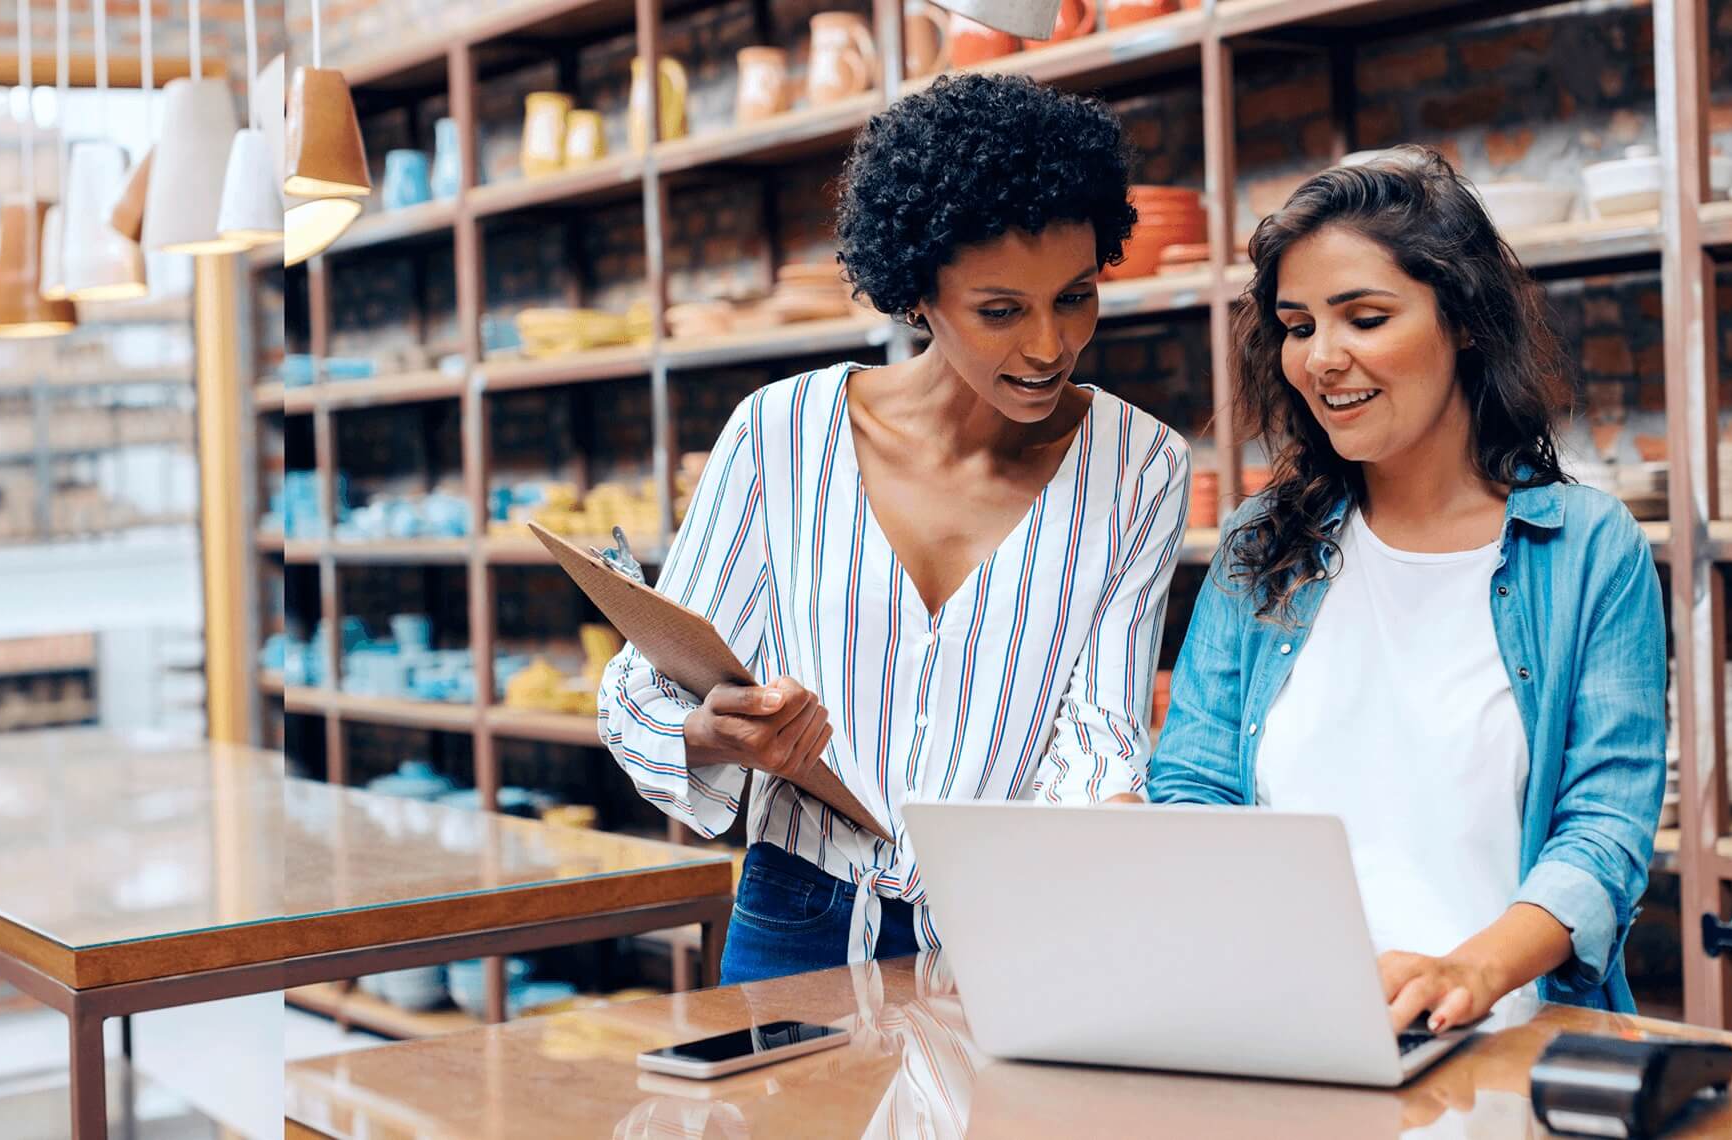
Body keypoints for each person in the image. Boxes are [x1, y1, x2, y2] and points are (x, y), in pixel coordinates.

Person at [599, 73, 1191, 984]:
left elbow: (1100, 728)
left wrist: (1123, 839)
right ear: (918, 293)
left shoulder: (1141, 463)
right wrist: (721, 734)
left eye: (1074, 296)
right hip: (797, 914)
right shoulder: (780, 433)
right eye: (1001, 310)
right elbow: (648, 689)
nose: (1047, 346)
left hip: (1017, 928)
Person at [1146, 147, 1665, 1028]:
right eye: (1300, 325)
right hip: (1286, 1027)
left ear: (1462, 320)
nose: (1322, 358)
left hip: (1497, 1034)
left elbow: (1604, 829)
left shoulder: (1585, 549)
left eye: (1366, 317)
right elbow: (1193, 787)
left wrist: (1468, 973)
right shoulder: (1261, 543)